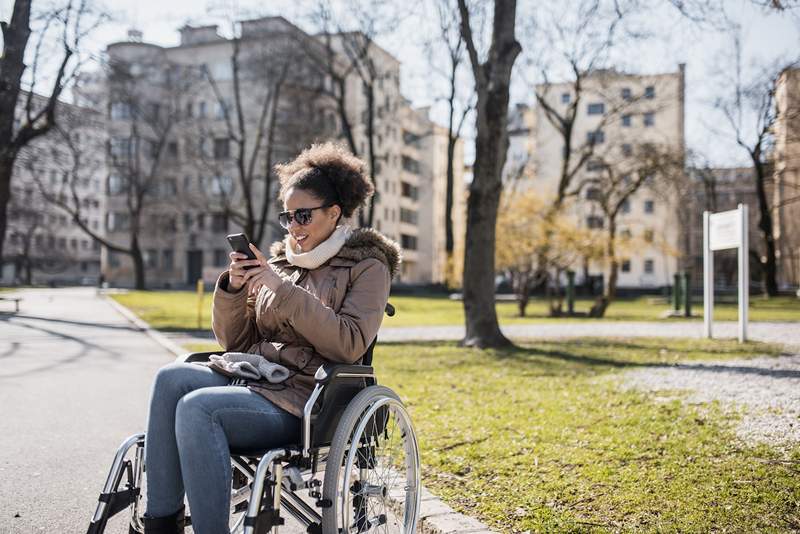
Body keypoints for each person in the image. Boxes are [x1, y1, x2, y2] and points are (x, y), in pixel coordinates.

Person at [140, 142, 401, 534]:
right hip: (257, 377)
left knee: (198, 409)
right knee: (170, 378)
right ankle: (161, 523)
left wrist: (282, 290)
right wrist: (232, 287)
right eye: (287, 216)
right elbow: (236, 345)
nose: (294, 226)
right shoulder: (280, 264)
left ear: (334, 213)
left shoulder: (367, 266)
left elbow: (349, 344)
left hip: (308, 398)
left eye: (303, 215)